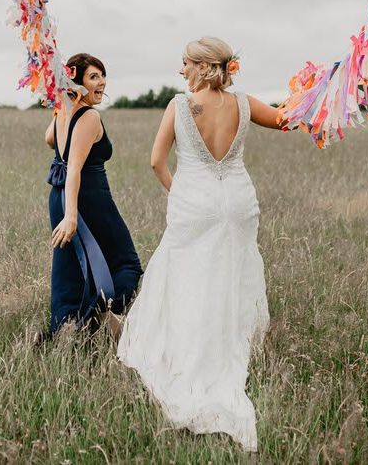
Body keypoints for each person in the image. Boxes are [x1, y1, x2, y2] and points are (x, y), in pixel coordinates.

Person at [117, 36, 282, 452]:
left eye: (185, 63)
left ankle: (190, 355)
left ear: (202, 65)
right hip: (239, 201)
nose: (181, 70)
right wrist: (322, 94)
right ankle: (232, 342)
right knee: (233, 270)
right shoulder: (244, 103)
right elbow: (286, 120)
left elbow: (156, 161)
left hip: (195, 201)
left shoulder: (178, 106)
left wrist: (180, 193)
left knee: (190, 276)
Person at [44, 53, 142, 336]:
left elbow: (49, 139)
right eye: (93, 77)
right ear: (77, 81)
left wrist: (63, 103)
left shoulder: (63, 112)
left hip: (60, 197)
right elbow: (74, 167)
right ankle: (99, 312)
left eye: (102, 75)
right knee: (127, 263)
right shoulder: (88, 116)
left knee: (70, 267)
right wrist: (72, 217)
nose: (101, 82)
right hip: (88, 199)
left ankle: (66, 326)